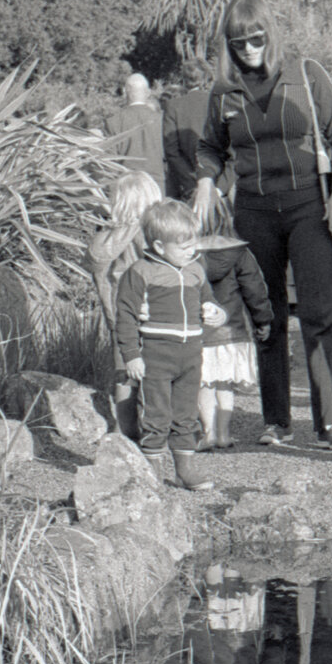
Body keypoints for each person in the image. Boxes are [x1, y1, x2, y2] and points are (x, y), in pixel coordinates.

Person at [194, 0, 332, 453]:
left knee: (318, 313)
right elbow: (210, 147)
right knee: (267, 316)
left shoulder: (306, 74)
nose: (248, 49)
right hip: (254, 211)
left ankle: (330, 423)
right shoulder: (223, 92)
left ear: (270, 33)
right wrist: (206, 180)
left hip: (310, 206)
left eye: (256, 39)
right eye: (238, 42)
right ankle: (277, 420)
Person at [114, 198, 224, 491]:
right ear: (160, 246)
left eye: (193, 243)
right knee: (155, 413)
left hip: (191, 354)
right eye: (184, 246)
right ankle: (152, 471)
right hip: (156, 354)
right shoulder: (141, 271)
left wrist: (216, 313)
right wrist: (131, 355)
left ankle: (184, 470)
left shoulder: (195, 269)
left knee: (186, 413)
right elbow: (125, 315)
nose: (192, 250)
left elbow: (208, 299)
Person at [86, 171, 163, 441]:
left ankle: (124, 431)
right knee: (156, 369)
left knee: (124, 371)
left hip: (120, 311)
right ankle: (154, 427)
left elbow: (96, 262)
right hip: (149, 309)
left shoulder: (108, 235)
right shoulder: (148, 234)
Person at [195, 216, 276, 452]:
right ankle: (224, 434)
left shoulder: (188, 253)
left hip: (200, 332)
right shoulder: (240, 253)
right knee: (225, 385)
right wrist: (263, 319)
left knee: (205, 385)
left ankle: (208, 433)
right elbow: (255, 289)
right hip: (232, 331)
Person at [161, 57, 217, 202]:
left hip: (187, 185)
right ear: (204, 78)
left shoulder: (173, 106)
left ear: (184, 80)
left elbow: (171, 151)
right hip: (216, 180)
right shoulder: (216, 102)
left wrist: (190, 182)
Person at [104, 73, 167, 192]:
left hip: (127, 187)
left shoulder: (113, 122)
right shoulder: (161, 120)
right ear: (148, 92)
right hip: (156, 185)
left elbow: (109, 164)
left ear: (125, 92)